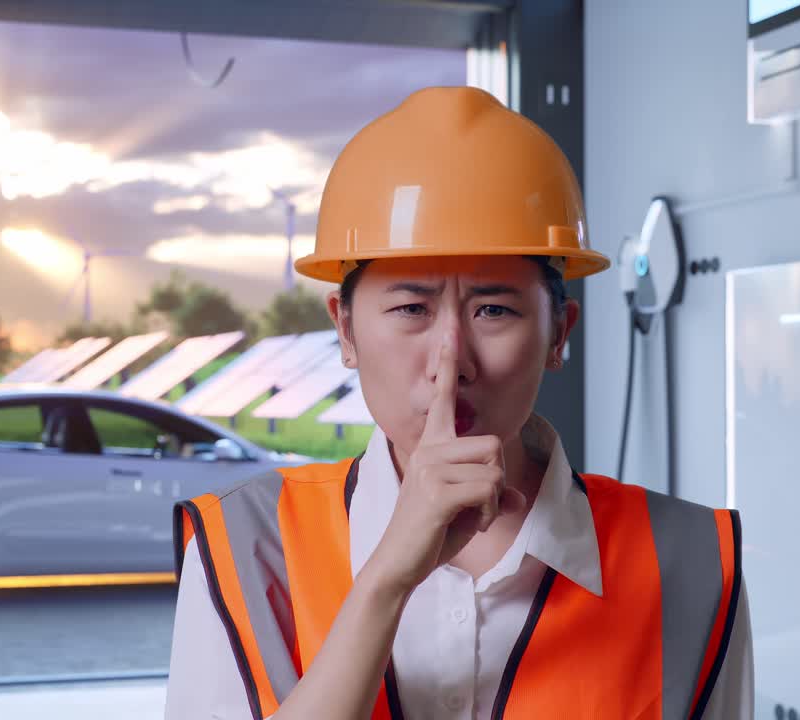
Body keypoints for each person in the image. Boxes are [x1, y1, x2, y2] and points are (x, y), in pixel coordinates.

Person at [164, 86, 752, 720]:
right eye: (411, 309)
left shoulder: (692, 558)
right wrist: (387, 579)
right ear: (346, 330)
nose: (452, 361)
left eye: (493, 310)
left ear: (559, 332)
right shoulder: (247, 546)